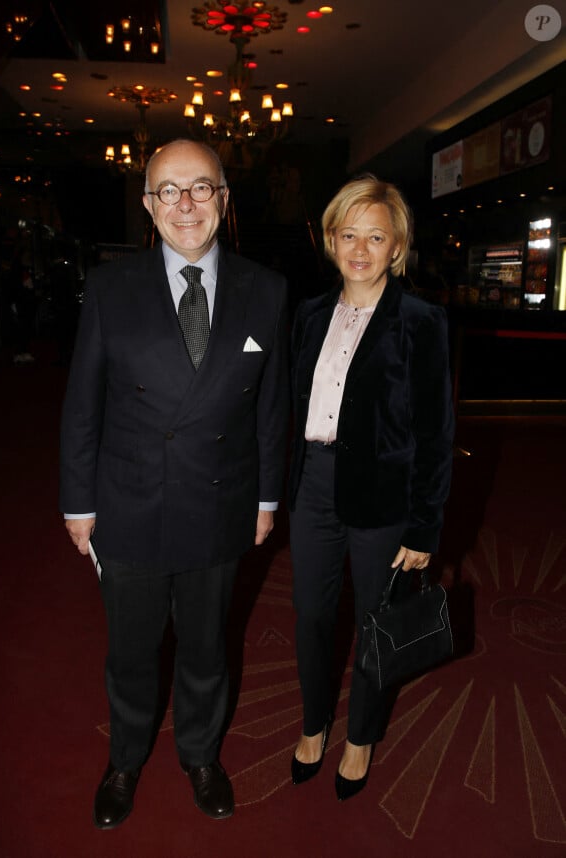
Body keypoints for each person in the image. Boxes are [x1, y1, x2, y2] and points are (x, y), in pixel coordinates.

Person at [59, 139, 289, 828]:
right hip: (128, 503)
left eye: (200, 188)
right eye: (168, 190)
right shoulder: (109, 288)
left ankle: (200, 754)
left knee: (206, 646)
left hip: (221, 500)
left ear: (223, 197)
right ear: (149, 206)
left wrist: (268, 497)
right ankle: (124, 758)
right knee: (131, 651)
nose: (185, 204)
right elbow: (82, 404)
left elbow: (273, 406)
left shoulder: (266, 290)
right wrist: (78, 503)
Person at [287, 174, 454, 801]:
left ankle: (358, 737)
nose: (361, 248)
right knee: (310, 616)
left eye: (376, 236)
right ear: (331, 239)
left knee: (374, 621)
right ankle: (312, 723)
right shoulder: (307, 315)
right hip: (313, 485)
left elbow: (437, 432)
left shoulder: (421, 321)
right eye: (349, 233)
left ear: (397, 246)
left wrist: (423, 525)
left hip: (384, 496)